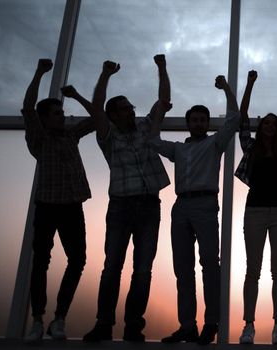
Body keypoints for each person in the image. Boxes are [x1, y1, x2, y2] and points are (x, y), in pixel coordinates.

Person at [83, 55, 171, 343]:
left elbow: (163, 100)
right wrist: (106, 74)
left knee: (143, 269)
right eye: (124, 110)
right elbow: (97, 107)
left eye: (131, 108)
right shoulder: (107, 135)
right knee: (112, 268)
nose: (131, 112)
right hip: (120, 207)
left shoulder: (146, 126)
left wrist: (161, 68)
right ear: (113, 115)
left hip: (148, 205)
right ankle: (104, 324)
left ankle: (133, 324)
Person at [149, 75, 240, 345]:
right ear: (188, 123)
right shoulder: (179, 150)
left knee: (210, 264)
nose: (199, 123)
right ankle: (187, 325)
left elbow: (234, 118)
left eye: (203, 120)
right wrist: (159, 113)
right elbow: (153, 140)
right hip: (181, 207)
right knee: (182, 268)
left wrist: (225, 88)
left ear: (207, 123)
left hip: (205, 205)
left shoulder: (214, 144)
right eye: (194, 120)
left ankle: (211, 323)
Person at [22, 59, 95, 342]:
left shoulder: (70, 135)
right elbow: (28, 108)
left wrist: (77, 96)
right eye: (56, 113)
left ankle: (59, 318)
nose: (62, 116)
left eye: (62, 112)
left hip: (72, 207)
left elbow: (96, 117)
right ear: (44, 119)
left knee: (77, 260)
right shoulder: (38, 138)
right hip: (47, 206)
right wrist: (39, 73)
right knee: (41, 260)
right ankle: (38, 320)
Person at [235, 70, 277, 345]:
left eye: (274, 125)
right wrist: (250, 84)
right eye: (266, 123)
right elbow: (242, 118)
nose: (270, 127)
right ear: (261, 126)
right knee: (253, 269)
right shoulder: (249, 148)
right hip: (254, 211)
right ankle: (249, 325)